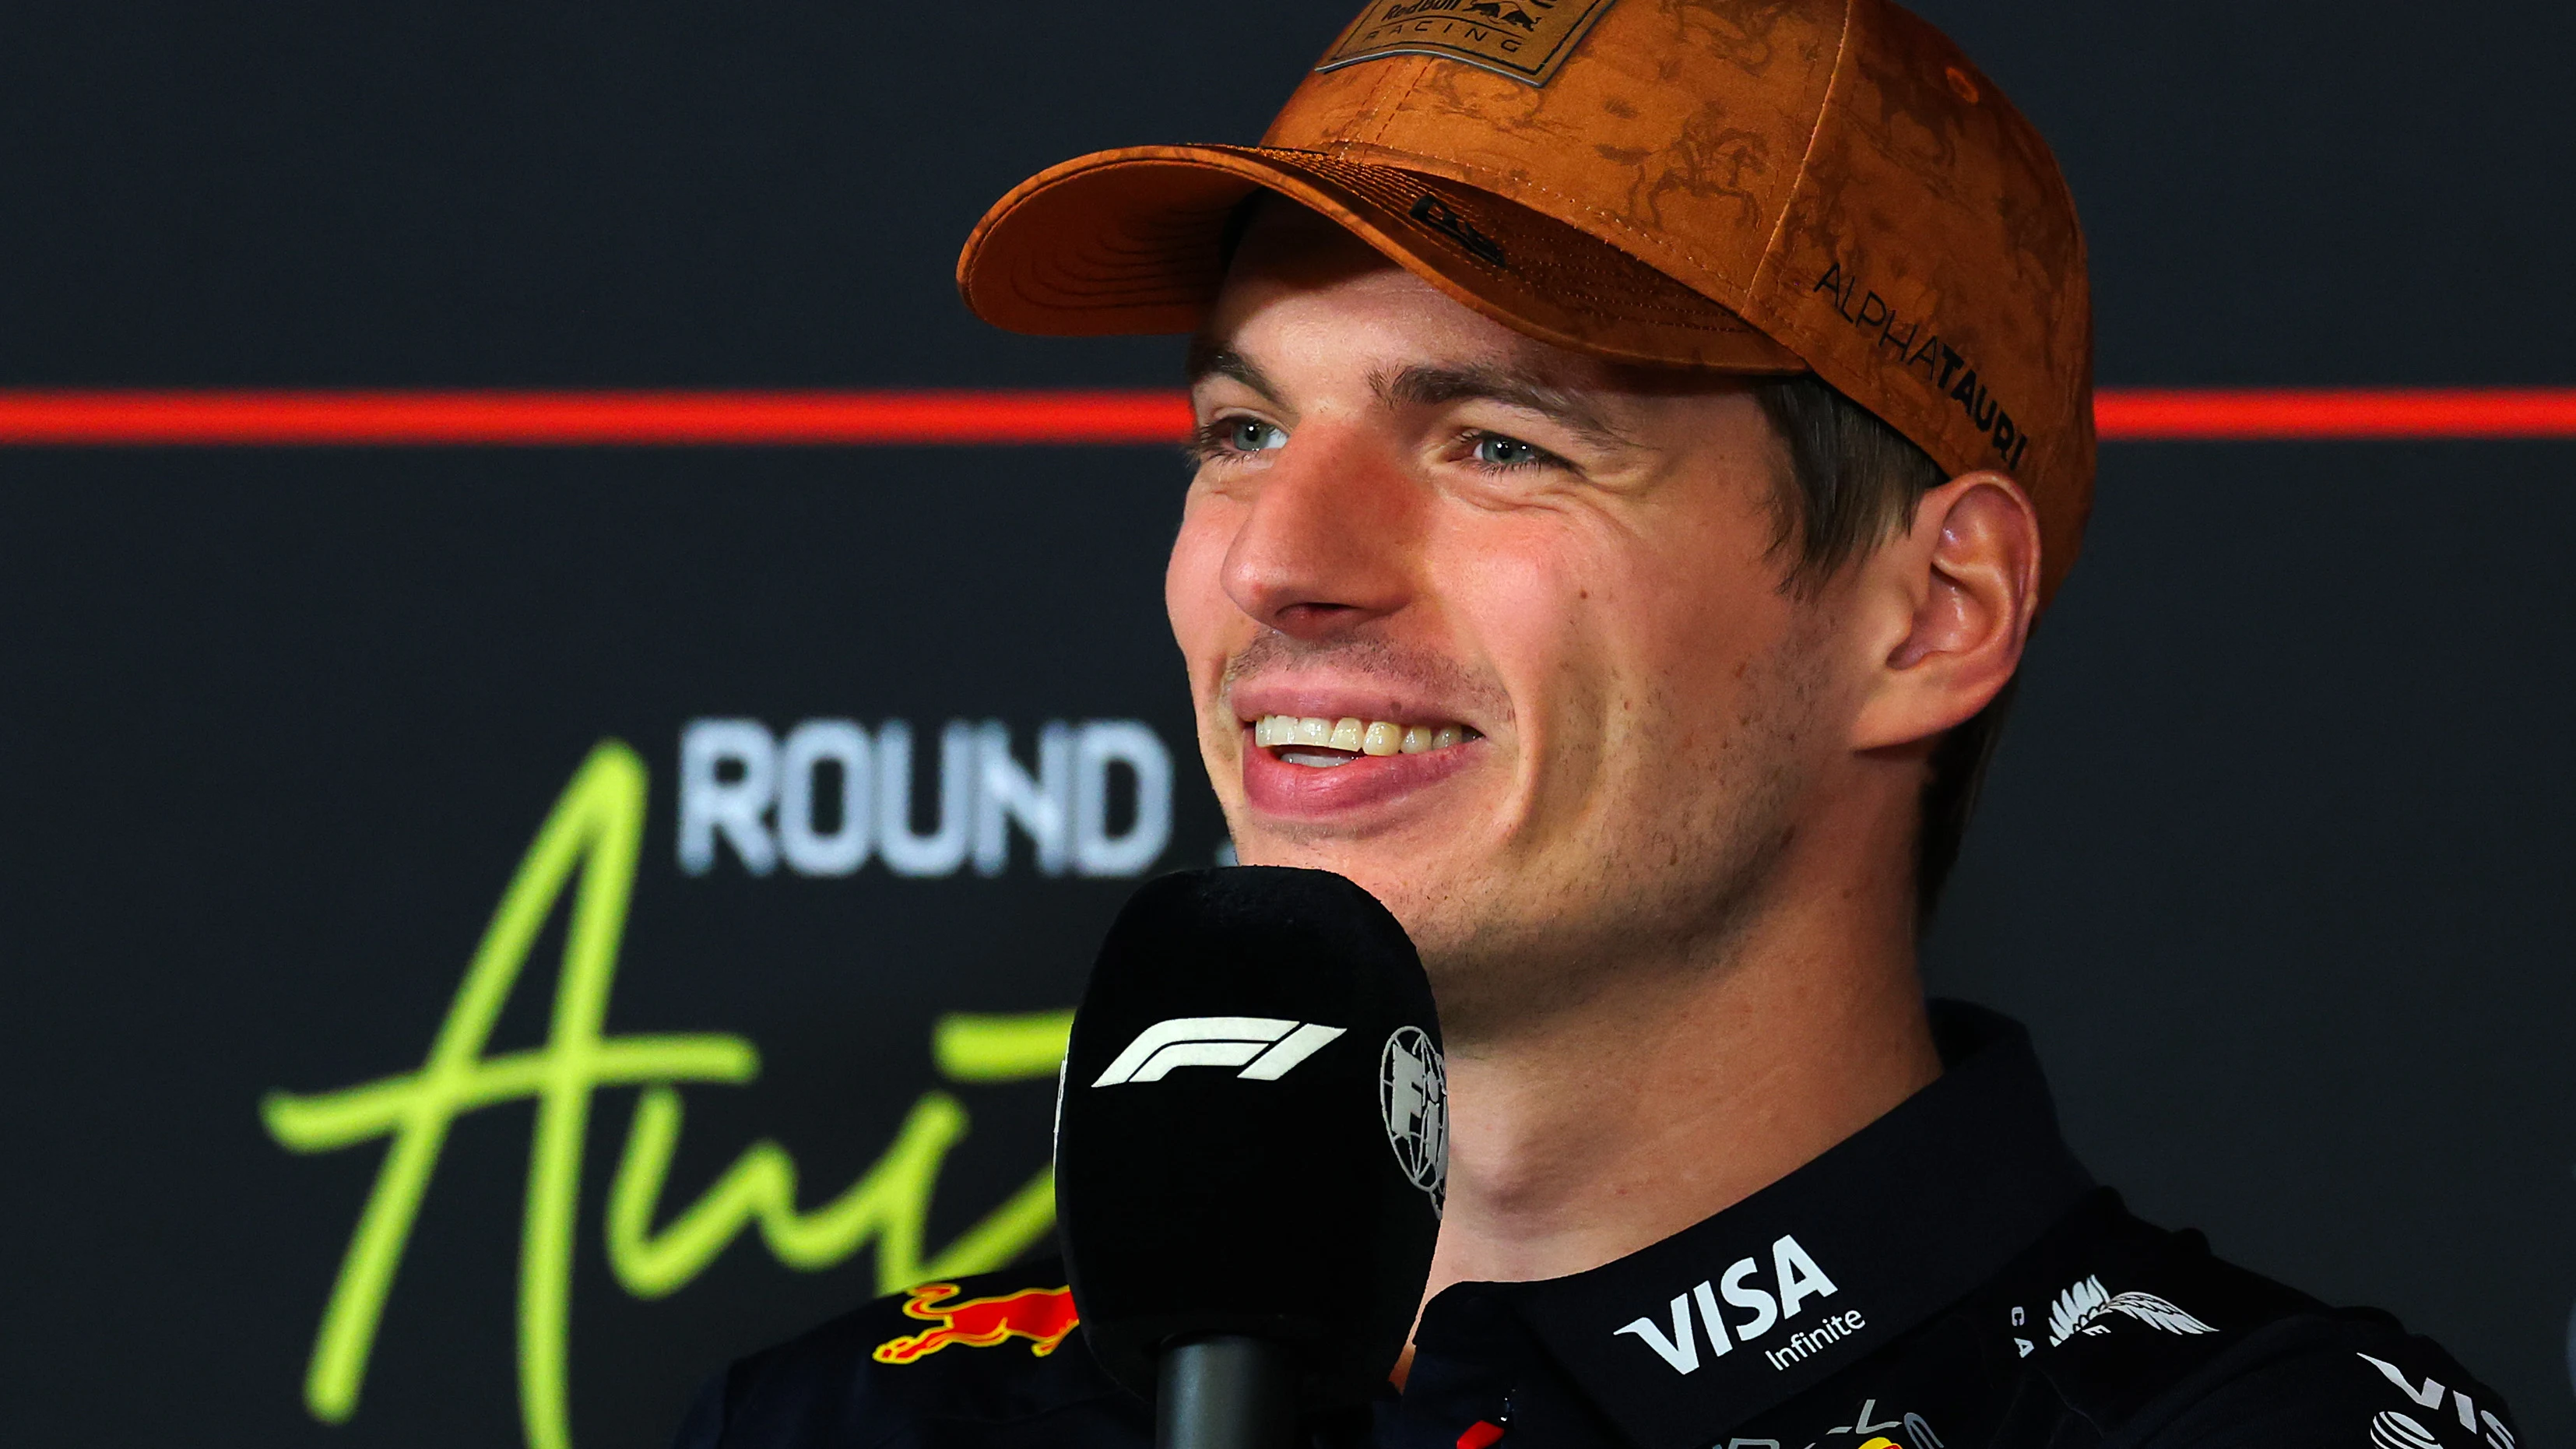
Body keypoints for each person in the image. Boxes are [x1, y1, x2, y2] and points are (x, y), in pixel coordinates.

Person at [676, 2, 2518, 1446]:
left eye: (1499, 446)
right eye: (1241, 432)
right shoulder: (856, 1419)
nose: (1279, 569)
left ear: (1933, 611)